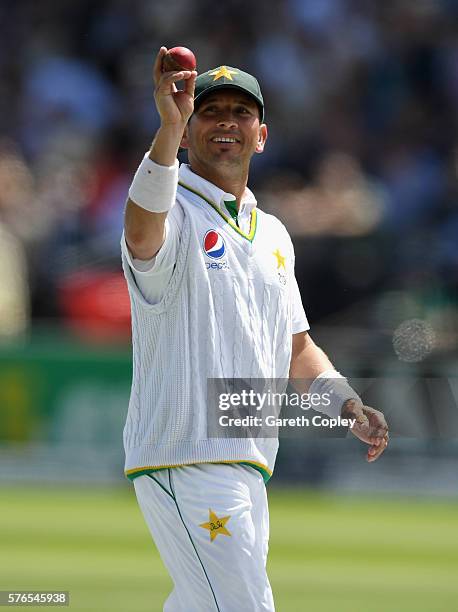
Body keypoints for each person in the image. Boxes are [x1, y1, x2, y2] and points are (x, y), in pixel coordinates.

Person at [121, 47, 389, 612]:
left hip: (247, 459)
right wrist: (166, 128)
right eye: (209, 111)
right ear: (189, 133)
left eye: (240, 113)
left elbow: (297, 348)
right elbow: (142, 237)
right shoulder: (174, 207)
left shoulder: (272, 233)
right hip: (185, 453)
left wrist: (346, 403)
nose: (225, 122)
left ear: (260, 135)